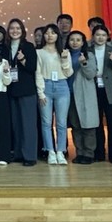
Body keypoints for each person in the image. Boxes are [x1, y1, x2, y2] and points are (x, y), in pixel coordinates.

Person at [37, 24, 73, 165]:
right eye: (47, 33)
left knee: (61, 123)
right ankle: (50, 151)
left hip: (62, 86)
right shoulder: (39, 52)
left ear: (57, 35)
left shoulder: (64, 52)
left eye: (53, 33)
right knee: (46, 122)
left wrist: (64, 60)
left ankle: (61, 151)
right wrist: (40, 92)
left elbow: (69, 73)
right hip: (46, 86)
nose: (50, 35)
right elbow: (38, 73)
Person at [6, 18, 39, 166]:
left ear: (22, 31)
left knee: (28, 124)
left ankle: (30, 156)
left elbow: (32, 67)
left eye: (18, 28)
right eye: (12, 28)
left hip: (26, 90)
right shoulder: (5, 47)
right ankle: (19, 153)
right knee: (16, 124)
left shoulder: (29, 46)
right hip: (11, 89)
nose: (15, 31)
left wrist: (23, 59)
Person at [89, 24, 112, 163]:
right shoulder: (88, 49)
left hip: (111, 90)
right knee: (97, 124)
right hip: (94, 89)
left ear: (107, 37)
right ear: (93, 36)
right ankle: (99, 153)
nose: (100, 38)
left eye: (103, 35)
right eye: (98, 35)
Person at [65, 30, 98, 164]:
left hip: (85, 94)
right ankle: (79, 152)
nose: (75, 42)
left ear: (83, 42)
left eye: (78, 40)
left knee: (88, 125)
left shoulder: (89, 55)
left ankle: (89, 154)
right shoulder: (64, 54)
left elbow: (91, 74)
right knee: (76, 126)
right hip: (69, 94)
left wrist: (84, 63)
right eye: (72, 40)